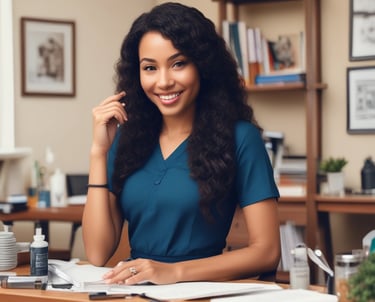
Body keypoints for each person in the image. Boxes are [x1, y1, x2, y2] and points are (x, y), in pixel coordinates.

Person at [82, 2, 280, 285]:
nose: (163, 82)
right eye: (149, 68)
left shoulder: (241, 138)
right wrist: (98, 153)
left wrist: (173, 272)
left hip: (199, 290)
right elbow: (97, 252)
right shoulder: (126, 138)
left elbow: (267, 251)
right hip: (134, 291)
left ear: (202, 66)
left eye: (178, 64)